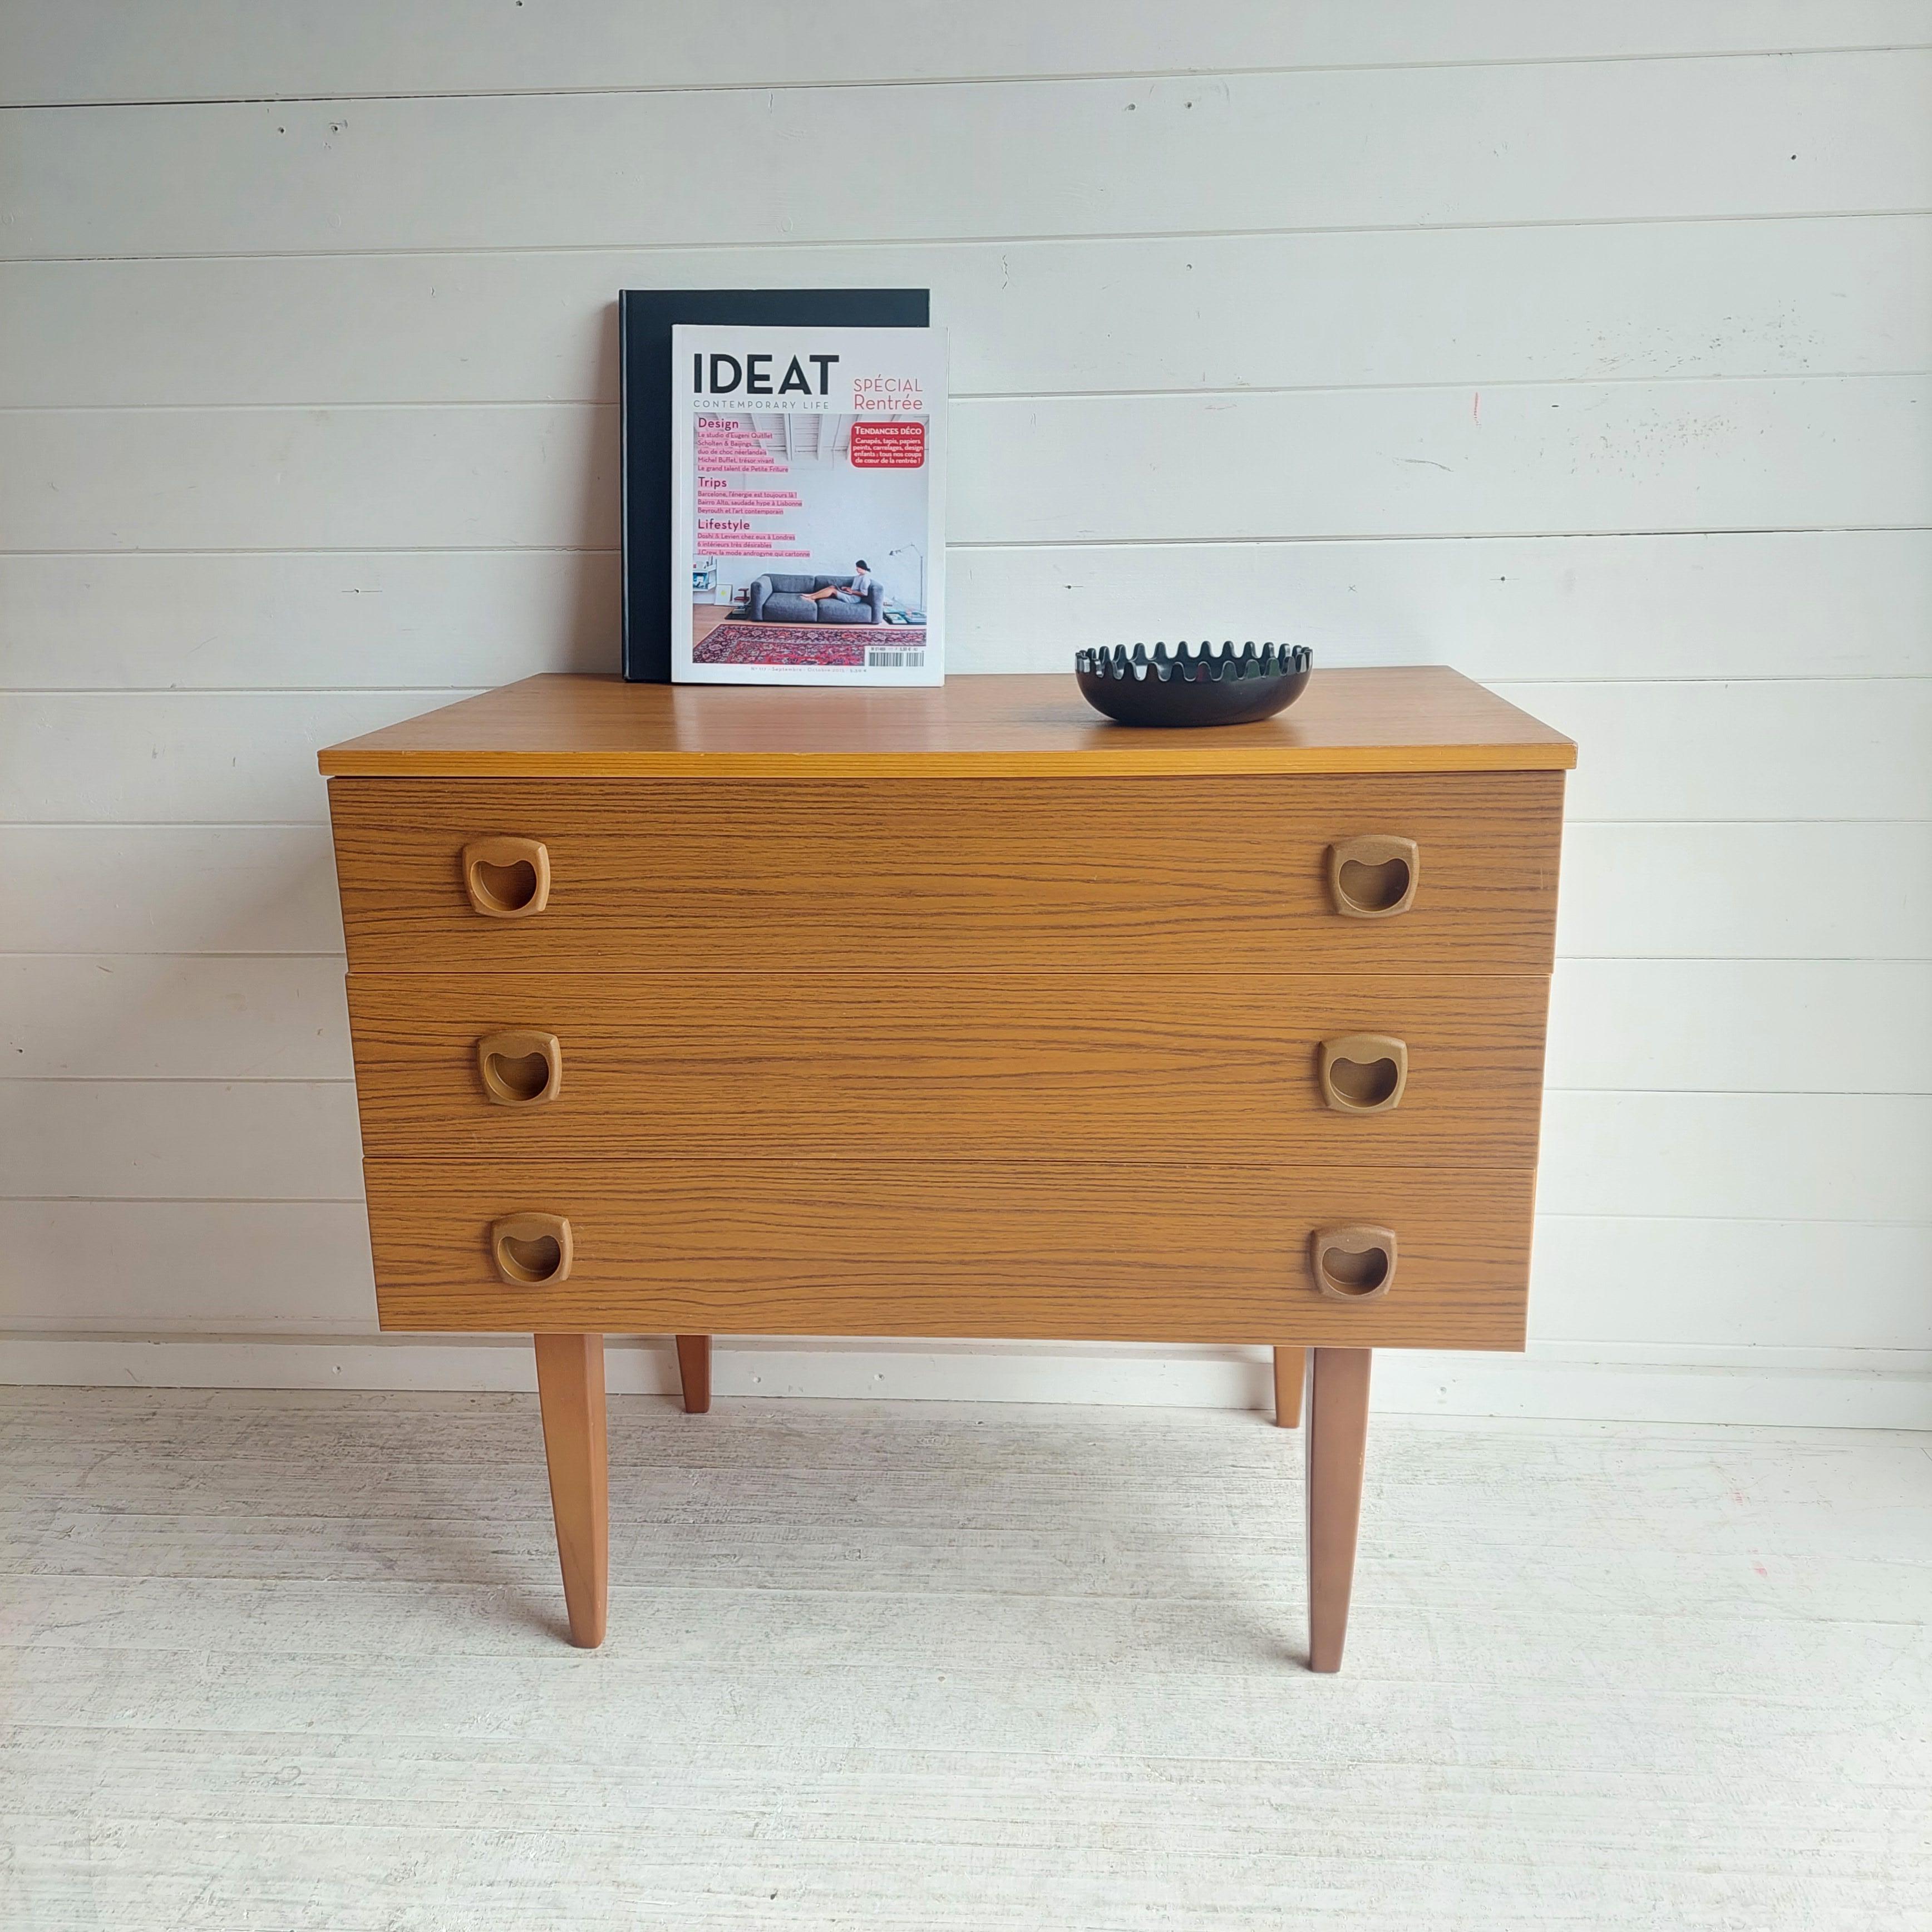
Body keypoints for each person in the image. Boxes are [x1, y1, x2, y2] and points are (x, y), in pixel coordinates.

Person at [805, 561, 876, 605]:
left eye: (858, 567)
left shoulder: (865, 578)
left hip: (853, 599)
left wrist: (852, 592)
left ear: (862, 567)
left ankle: (812, 598)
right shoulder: (858, 577)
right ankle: (811, 595)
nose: (856, 569)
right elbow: (855, 588)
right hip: (850, 594)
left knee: (833, 590)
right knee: (832, 587)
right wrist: (847, 589)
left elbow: (864, 593)